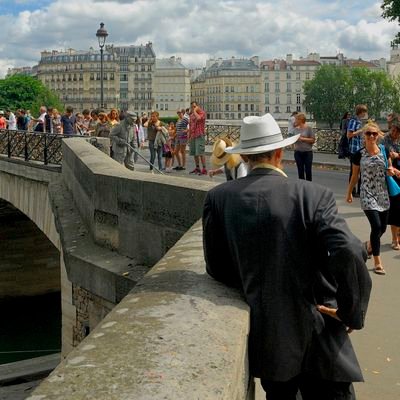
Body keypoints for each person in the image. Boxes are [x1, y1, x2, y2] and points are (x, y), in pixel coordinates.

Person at [203, 113, 372, 400]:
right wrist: (350, 310)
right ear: (281, 152)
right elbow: (350, 250)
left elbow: (217, 268)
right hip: (319, 332)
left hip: (268, 339)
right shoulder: (312, 195)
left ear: (244, 156)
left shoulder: (219, 198)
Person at [346, 122, 391, 275]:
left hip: (383, 194)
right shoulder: (358, 154)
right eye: (368, 134)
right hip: (367, 194)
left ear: (378, 135)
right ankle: (378, 261)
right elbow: (354, 176)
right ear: (363, 135)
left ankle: (369, 246)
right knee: (377, 226)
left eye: (374, 134)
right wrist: (349, 192)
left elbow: (389, 169)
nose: (371, 136)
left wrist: (392, 171)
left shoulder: (384, 151)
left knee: (383, 228)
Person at [383, 115, 400, 250]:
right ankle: (395, 238)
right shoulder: (385, 139)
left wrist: (398, 155)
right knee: (395, 208)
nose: (393, 133)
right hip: (393, 175)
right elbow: (383, 155)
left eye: (396, 131)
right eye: (393, 130)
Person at [347, 105, 368, 197]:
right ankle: (352, 190)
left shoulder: (359, 121)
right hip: (354, 149)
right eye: (364, 112)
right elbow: (349, 135)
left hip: (360, 148)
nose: (365, 114)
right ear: (360, 112)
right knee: (354, 171)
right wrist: (360, 131)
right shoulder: (353, 120)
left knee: (361, 170)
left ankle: (360, 190)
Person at [293, 112, 315, 181]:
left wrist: (302, 139)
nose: (295, 121)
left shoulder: (309, 128)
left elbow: (313, 140)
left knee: (308, 171)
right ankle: (302, 188)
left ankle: (308, 187)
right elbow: (294, 139)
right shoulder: (296, 129)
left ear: (300, 120)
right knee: (300, 171)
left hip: (307, 152)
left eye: (296, 119)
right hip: (297, 152)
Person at [188, 101, 207, 175]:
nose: (193, 108)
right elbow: (190, 125)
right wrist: (189, 136)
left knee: (201, 152)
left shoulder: (202, 112)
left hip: (199, 134)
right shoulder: (192, 115)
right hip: (193, 135)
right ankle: (197, 168)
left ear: (197, 106)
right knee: (194, 153)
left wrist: (195, 111)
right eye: (192, 107)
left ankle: (204, 169)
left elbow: (199, 118)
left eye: (194, 106)